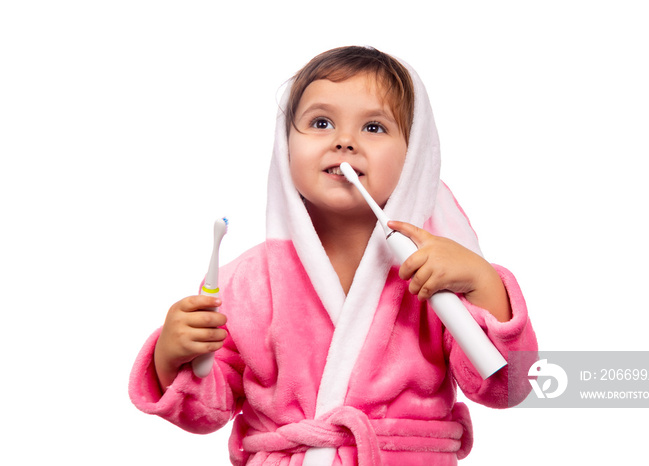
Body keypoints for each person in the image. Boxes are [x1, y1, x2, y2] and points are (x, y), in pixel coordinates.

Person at [129, 46, 537, 466]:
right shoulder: (248, 281)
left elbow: (509, 387)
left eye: (374, 127)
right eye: (321, 123)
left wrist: (485, 285)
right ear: (285, 145)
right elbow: (204, 412)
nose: (345, 141)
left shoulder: (439, 271)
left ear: (414, 156)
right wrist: (172, 357)